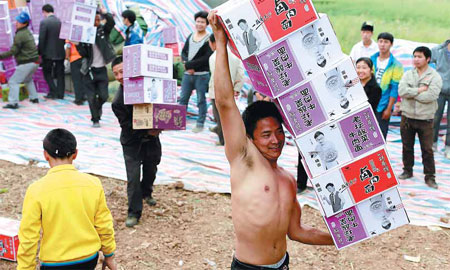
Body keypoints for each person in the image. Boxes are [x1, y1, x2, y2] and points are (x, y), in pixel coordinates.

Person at [208, 11, 333, 269]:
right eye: (266, 134)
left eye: (279, 132)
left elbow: (297, 232)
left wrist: (339, 238)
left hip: (282, 265)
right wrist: (221, 42)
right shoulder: (244, 161)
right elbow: (224, 102)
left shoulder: (287, 179)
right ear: (250, 139)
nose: (275, 140)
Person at [17, 128, 117, 270]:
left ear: (45, 155)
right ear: (75, 154)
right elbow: (104, 224)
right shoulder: (93, 183)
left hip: (54, 263)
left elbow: (28, 237)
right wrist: (109, 254)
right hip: (88, 259)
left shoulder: (36, 190)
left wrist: (25, 267)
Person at [111, 56, 162, 228]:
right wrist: (147, 129)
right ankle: (133, 212)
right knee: (133, 177)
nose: (119, 76)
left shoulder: (147, 88)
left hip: (152, 139)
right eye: (115, 73)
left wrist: (161, 125)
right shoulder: (118, 101)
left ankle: (146, 193)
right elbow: (127, 127)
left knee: (151, 168)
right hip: (132, 142)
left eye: (122, 71)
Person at [398, 46, 442, 189]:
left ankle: (430, 176)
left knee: (427, 149)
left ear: (427, 59)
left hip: (425, 119)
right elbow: (402, 91)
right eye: (414, 56)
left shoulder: (434, 76)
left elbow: (431, 95)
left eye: (419, 57)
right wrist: (418, 90)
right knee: (407, 146)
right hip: (407, 116)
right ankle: (407, 170)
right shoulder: (408, 74)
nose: (416, 59)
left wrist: (412, 94)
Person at [76, 7, 116, 127]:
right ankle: (95, 119)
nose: (97, 22)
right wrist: (78, 45)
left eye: (98, 20)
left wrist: (104, 12)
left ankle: (97, 108)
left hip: (101, 69)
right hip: (89, 71)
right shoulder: (85, 35)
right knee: (91, 97)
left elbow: (111, 22)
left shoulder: (102, 31)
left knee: (104, 96)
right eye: (95, 20)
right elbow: (83, 54)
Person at [179, 11, 213, 133]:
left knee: (201, 100)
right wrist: (185, 64)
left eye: (202, 22)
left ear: (207, 24)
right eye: (198, 21)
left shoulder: (208, 39)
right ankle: (179, 121)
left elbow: (206, 57)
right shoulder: (191, 35)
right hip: (188, 75)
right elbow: (184, 52)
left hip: (201, 75)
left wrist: (190, 65)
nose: (199, 24)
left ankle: (200, 123)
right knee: (183, 99)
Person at [208, 33, 245, 146]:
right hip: (230, 91)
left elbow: (216, 76)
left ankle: (223, 140)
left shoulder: (214, 56)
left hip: (218, 92)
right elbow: (240, 73)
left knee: (219, 117)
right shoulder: (235, 55)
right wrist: (237, 88)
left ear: (213, 42)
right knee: (229, 116)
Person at [0, 12, 39, 109]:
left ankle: (13, 103)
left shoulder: (20, 35)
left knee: (13, 81)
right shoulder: (27, 32)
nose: (16, 23)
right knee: (28, 79)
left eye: (19, 22)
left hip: (27, 62)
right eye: (17, 21)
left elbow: (13, 51)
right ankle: (34, 98)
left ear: (24, 23)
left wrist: (1, 56)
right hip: (35, 62)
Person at [370, 32, 404, 139]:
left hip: (383, 104)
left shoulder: (396, 65)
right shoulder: (371, 59)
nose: (383, 44)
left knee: (381, 134)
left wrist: (389, 109)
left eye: (386, 42)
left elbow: (394, 89)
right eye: (380, 41)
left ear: (391, 44)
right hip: (369, 102)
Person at [39, 4, 65, 99]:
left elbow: (42, 39)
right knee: (60, 74)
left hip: (48, 53)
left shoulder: (44, 22)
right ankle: (60, 94)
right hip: (60, 52)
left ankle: (53, 91)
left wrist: (40, 53)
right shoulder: (60, 22)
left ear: (44, 11)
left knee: (47, 73)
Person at [432, 40, 450, 158]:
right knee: (435, 117)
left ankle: (448, 147)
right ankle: (432, 144)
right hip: (440, 90)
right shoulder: (438, 50)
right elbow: (429, 56)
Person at [65, 41, 86, 105]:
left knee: (76, 79)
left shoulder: (71, 33)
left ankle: (78, 99)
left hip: (74, 58)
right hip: (84, 57)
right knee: (83, 77)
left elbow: (68, 46)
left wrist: (67, 58)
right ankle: (83, 96)